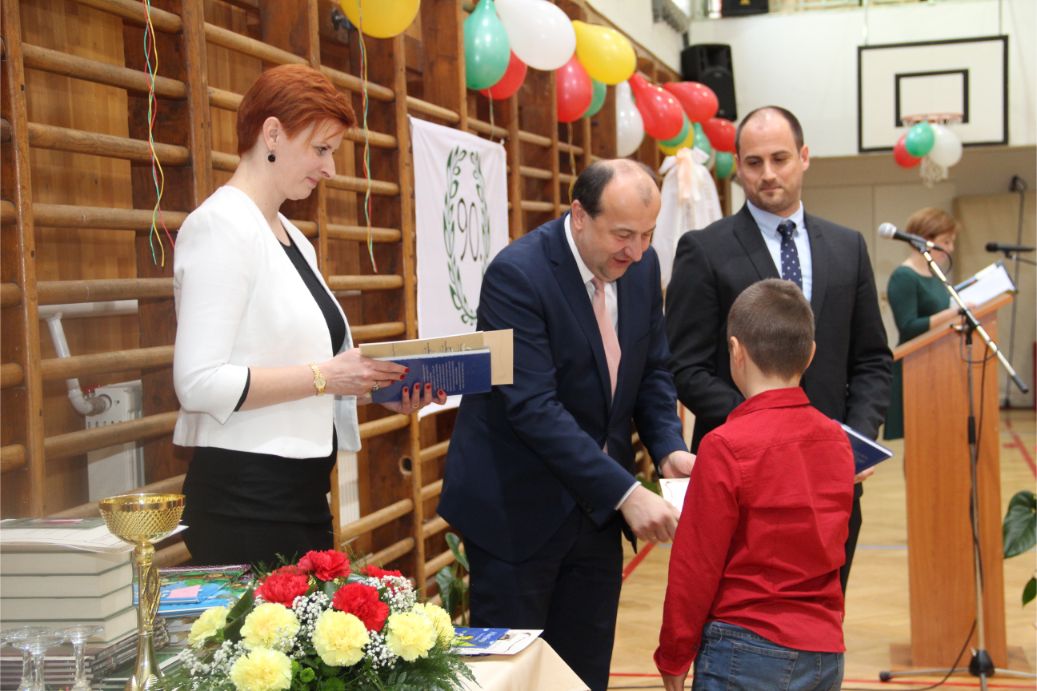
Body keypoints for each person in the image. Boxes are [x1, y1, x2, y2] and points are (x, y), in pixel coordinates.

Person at [438, 159, 695, 691]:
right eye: (622, 234)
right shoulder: (518, 275)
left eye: (647, 234)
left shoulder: (642, 268)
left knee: (582, 674)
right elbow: (533, 407)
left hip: (596, 512)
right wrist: (627, 492)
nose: (636, 251)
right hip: (516, 512)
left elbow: (651, 371)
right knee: (512, 678)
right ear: (579, 215)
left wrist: (668, 449)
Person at [173, 64, 444, 567]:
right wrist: (328, 376)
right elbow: (198, 383)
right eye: (321, 149)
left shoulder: (293, 237)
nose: (330, 168)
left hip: (300, 495)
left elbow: (297, 371)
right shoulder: (219, 226)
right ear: (272, 134)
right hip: (244, 503)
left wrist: (375, 390)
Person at [665, 106, 892, 591]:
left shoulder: (848, 247)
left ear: (804, 157)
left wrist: (856, 439)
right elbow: (686, 367)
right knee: (737, 615)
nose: (767, 173)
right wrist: (768, 429)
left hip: (831, 475)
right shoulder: (704, 249)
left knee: (823, 612)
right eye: (754, 162)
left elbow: (872, 358)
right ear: (737, 166)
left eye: (780, 158)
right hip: (741, 471)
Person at [655, 279, 854, 691]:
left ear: (735, 350)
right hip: (824, 647)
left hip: (745, 645)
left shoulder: (725, 445)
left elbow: (696, 564)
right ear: (810, 354)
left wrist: (674, 652)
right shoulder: (837, 439)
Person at [883, 207, 962, 440]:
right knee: (920, 442)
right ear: (925, 239)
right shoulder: (904, 276)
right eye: (946, 241)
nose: (950, 248)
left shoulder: (934, 274)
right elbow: (909, 327)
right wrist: (953, 313)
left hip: (938, 362)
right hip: (915, 367)